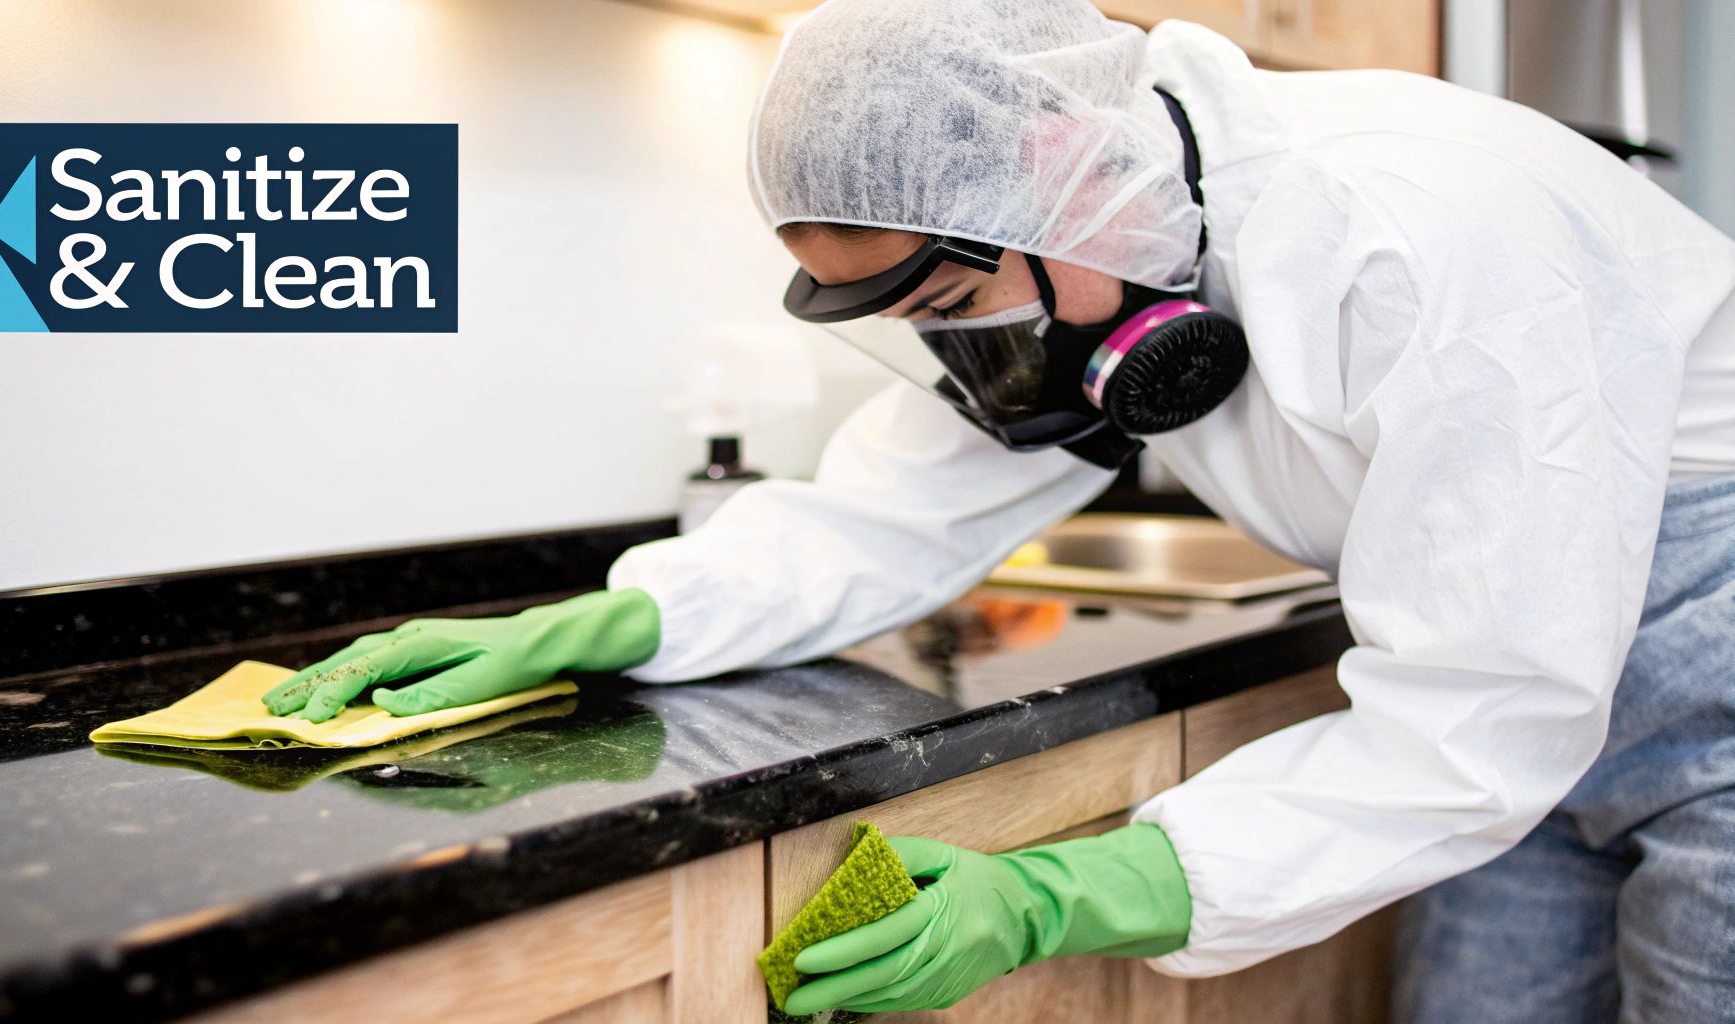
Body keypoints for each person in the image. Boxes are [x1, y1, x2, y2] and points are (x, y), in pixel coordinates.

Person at [261, 1, 1735, 1019]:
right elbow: (884, 517)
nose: (970, 351)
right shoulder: (1115, 242)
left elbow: (1488, 707)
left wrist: (1066, 893)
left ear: (1049, 168)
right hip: (1522, 693)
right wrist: (604, 623)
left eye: (960, 300)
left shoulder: (1425, 231)